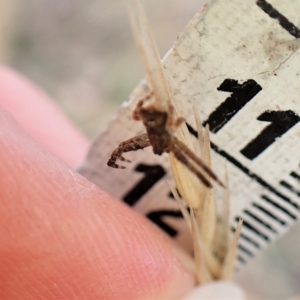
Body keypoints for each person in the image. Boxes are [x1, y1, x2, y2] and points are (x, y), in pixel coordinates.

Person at [0, 66, 245, 299]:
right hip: (157, 134)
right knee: (151, 151)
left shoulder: (158, 127)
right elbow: (142, 127)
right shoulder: (155, 131)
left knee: (186, 156)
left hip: (157, 133)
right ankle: (208, 178)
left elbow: (157, 120)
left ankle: (211, 178)